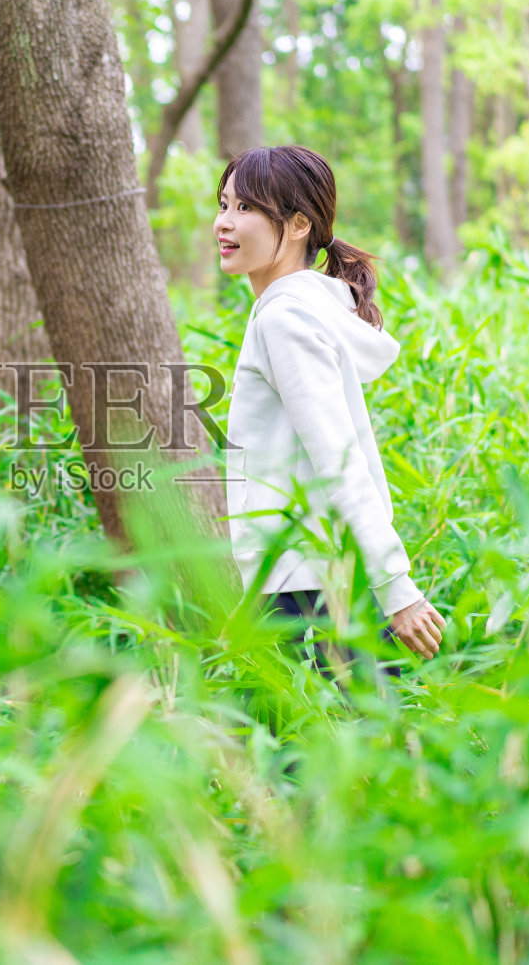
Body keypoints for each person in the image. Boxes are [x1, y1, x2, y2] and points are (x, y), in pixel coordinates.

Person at [217, 145, 445, 672]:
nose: (224, 223)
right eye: (224, 204)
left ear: (298, 225)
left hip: (313, 591)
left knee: (342, 726)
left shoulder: (286, 320)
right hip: (305, 581)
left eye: (246, 208)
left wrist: (397, 589)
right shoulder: (293, 310)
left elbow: (339, 461)